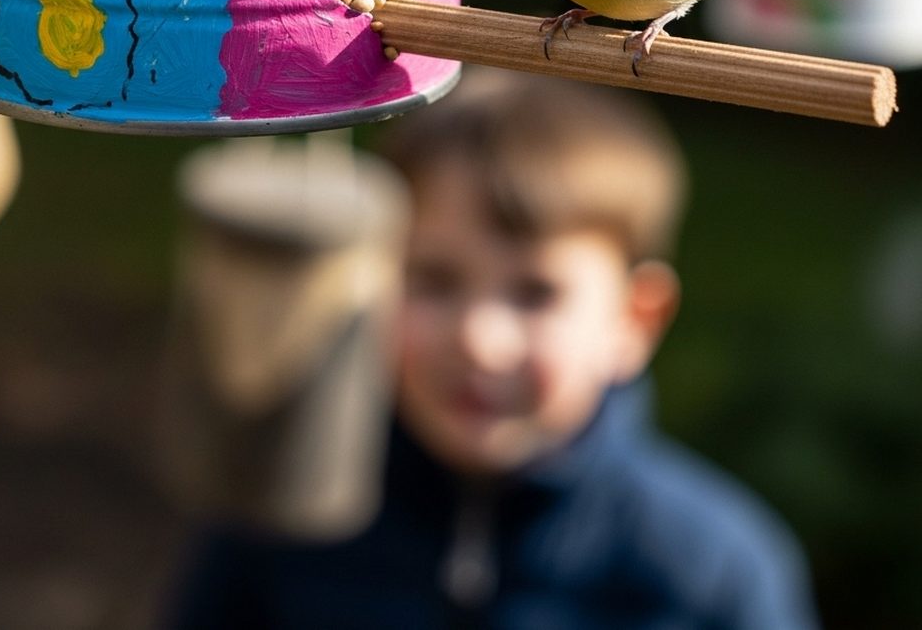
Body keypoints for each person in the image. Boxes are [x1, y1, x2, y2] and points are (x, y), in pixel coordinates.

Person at [162, 70, 819, 629]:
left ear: (634, 320)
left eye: (535, 294)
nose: (479, 339)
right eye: (434, 280)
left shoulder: (712, 570)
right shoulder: (281, 523)